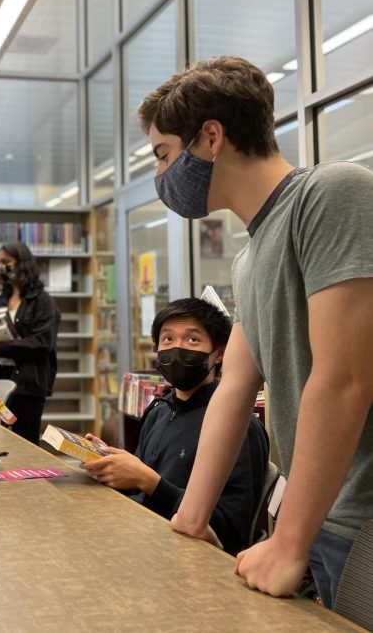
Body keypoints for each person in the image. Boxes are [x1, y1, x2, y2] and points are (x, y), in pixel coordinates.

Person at [138, 55, 373, 605]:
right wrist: (190, 518)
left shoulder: (331, 194)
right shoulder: (249, 259)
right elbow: (234, 391)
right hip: (320, 517)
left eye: (164, 155)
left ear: (210, 137)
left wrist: (288, 545)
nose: (161, 177)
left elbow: (343, 381)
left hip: (363, 522)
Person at [82, 298, 269, 556]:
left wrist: (150, 482)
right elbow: (139, 489)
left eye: (192, 340)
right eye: (167, 340)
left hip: (192, 562)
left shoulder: (237, 427)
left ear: (219, 353)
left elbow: (228, 531)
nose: (177, 348)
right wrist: (111, 466)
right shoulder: (159, 411)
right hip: (143, 544)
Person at [0, 242, 60, 445]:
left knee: (24, 441)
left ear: (22, 263)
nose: (1, 267)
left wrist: (0, 347)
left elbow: (43, 342)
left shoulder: (42, 301)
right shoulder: (1, 299)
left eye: (6, 262)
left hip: (28, 385)